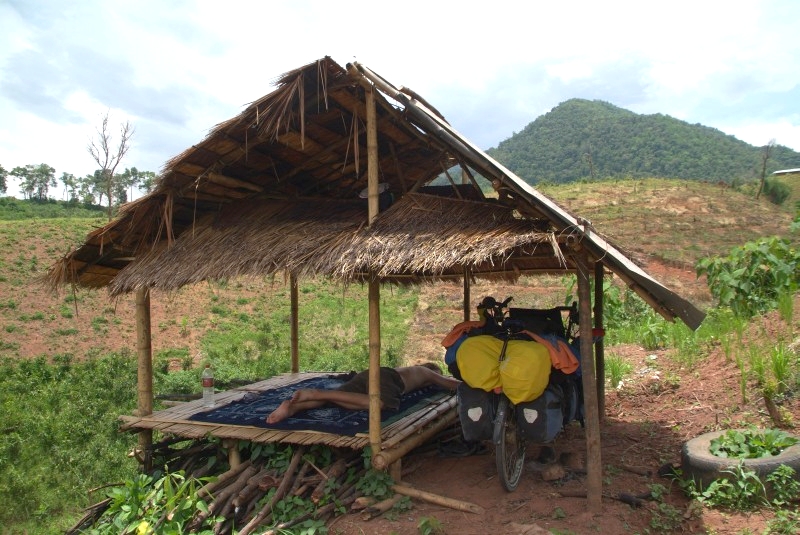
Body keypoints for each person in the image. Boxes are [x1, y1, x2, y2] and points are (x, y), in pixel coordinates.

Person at [266, 363, 460, 424]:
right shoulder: (425, 371)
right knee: (380, 403)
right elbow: (451, 384)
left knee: (343, 398)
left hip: (370, 373)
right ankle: (320, 393)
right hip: (388, 379)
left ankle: (291, 408)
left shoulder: (407, 368)